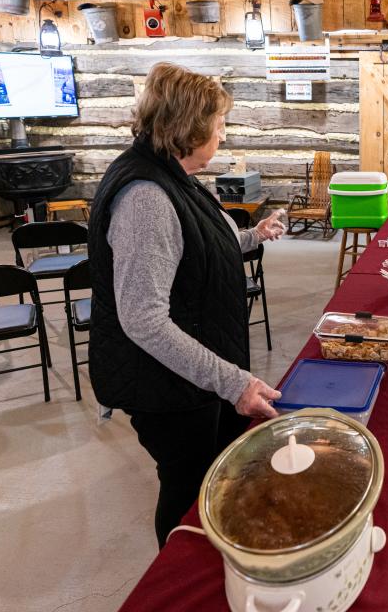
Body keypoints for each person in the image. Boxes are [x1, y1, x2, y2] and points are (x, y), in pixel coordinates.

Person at [88, 62, 285, 549]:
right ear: (189, 129)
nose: (223, 133)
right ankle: (178, 587)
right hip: (166, 386)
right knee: (188, 492)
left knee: (215, 478)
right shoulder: (146, 197)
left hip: (194, 375)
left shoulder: (174, 174)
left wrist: (249, 236)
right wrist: (233, 383)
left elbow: (192, 247)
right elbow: (143, 319)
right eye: (218, 125)